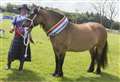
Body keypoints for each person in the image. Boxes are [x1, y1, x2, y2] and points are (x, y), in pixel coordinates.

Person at [6, 4, 34, 71]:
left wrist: (30, 37)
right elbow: (13, 24)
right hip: (16, 37)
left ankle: (21, 68)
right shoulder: (16, 17)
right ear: (20, 10)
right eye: (22, 9)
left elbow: (30, 28)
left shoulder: (29, 18)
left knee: (23, 53)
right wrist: (12, 28)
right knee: (11, 51)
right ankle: (8, 65)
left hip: (25, 38)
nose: (23, 11)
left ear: (27, 11)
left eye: (25, 10)